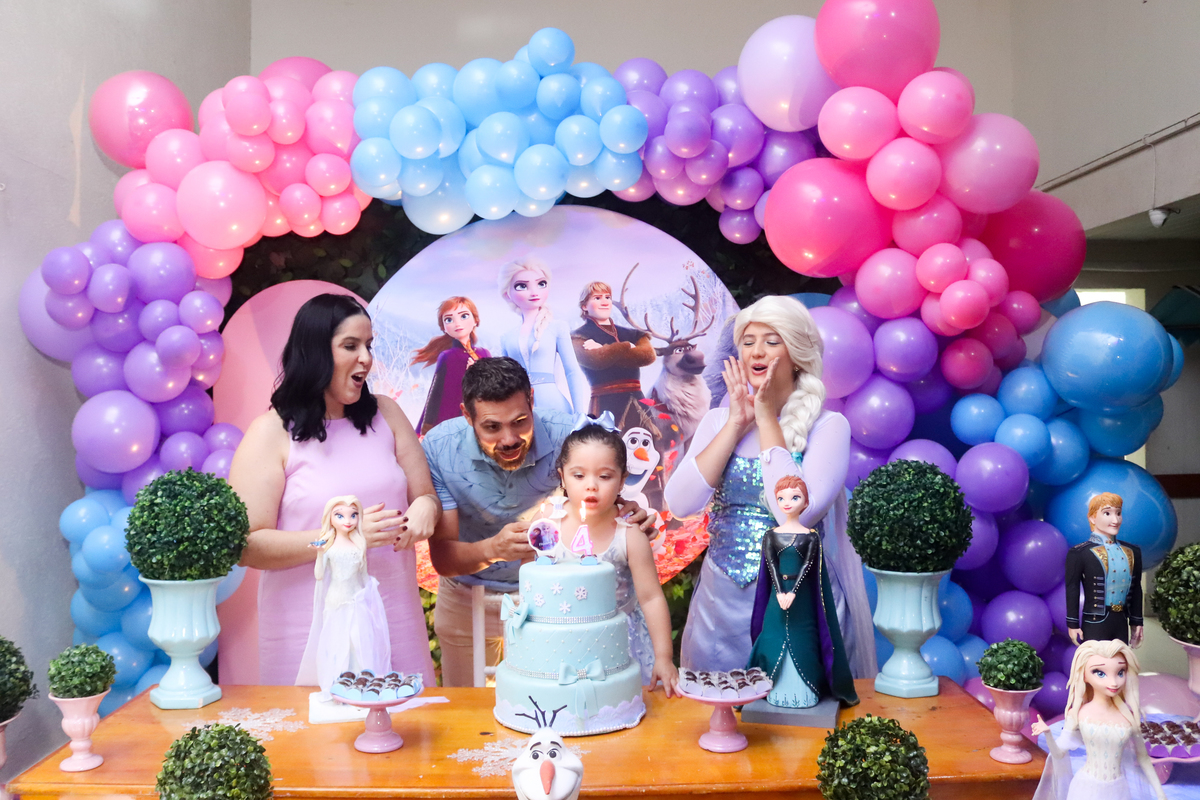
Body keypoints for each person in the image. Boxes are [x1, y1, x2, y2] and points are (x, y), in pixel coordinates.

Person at [229, 293, 437, 686]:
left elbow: (424, 496)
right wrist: (341, 539)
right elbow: (246, 545)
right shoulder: (270, 432)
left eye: (369, 345)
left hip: (393, 618)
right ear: (315, 352)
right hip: (308, 629)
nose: (366, 358)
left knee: (405, 720)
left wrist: (426, 507)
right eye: (350, 346)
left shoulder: (387, 414)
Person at [663, 295, 875, 677]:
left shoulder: (828, 427)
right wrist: (734, 425)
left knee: (793, 705)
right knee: (719, 708)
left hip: (796, 603)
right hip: (718, 606)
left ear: (796, 354)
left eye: (771, 341)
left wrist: (766, 421)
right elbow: (680, 503)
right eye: (748, 341)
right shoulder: (717, 422)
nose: (756, 351)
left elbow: (794, 516)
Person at [421, 356, 651, 686]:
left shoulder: (570, 435)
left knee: (553, 702)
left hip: (555, 599)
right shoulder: (439, 449)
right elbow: (443, 558)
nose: (509, 438)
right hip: (466, 598)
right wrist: (493, 549)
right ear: (466, 415)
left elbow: (603, 484)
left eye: (520, 421)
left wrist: (623, 508)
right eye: (492, 427)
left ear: (531, 400)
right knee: (467, 704)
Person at [552, 421, 679, 694]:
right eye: (578, 475)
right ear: (562, 477)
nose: (591, 486)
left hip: (621, 644)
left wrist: (664, 657)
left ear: (622, 480)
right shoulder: (548, 526)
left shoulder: (629, 533)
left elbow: (651, 597)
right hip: (562, 644)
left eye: (605, 476)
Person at [747, 476, 857, 709]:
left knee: (803, 637)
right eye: (781, 498)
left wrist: (793, 592)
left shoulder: (810, 536)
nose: (787, 503)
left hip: (802, 598)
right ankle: (774, 688)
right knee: (773, 636)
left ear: (805, 502)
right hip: (777, 598)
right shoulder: (771, 535)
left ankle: (806, 689)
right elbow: (771, 566)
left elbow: (808, 565)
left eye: (794, 497)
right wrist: (780, 592)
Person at [1030, 639, 1166, 800]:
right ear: (1085, 676)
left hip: (1118, 791)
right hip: (1086, 789)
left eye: (1120, 672)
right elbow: (1059, 754)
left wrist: (1160, 794)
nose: (1113, 682)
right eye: (1100, 673)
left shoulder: (1128, 717)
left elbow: (1143, 757)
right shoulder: (1078, 714)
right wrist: (1048, 734)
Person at [296, 496, 391, 699]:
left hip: (357, 599)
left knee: (358, 642)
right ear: (330, 518)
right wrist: (320, 554)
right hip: (337, 599)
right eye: (340, 516)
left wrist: (369, 595)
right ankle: (338, 684)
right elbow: (319, 575)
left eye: (353, 515)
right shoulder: (329, 547)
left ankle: (360, 683)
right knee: (337, 640)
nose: (348, 521)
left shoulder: (359, 545)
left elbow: (363, 574)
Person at [497, 259, 590, 415]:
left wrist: (579, 413)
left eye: (541, 284)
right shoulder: (507, 337)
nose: (534, 292)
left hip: (554, 406)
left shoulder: (557, 327)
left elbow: (572, 371)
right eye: (522, 286)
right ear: (508, 294)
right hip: (519, 410)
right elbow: (505, 381)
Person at [1066, 493, 1144, 647]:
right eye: (1107, 513)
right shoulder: (1080, 552)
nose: (1115, 520)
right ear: (1092, 518)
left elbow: (1136, 589)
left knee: (1120, 658)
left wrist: (1136, 621)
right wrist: (1072, 624)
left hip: (1121, 620)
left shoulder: (1132, 551)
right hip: (1095, 622)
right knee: (1096, 660)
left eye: (1118, 513)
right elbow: (1072, 588)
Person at [570, 281, 655, 418]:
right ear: (584, 306)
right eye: (597, 298)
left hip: (638, 404)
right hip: (604, 407)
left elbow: (647, 356)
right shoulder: (577, 337)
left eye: (607, 297)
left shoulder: (633, 333)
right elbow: (596, 360)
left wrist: (604, 349)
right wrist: (628, 346)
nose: (604, 302)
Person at [411, 296, 490, 436]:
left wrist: (478, 372)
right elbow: (436, 393)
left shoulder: (484, 353)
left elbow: (494, 387)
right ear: (443, 327)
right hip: (451, 421)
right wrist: (426, 427)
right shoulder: (448, 356)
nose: (457, 323)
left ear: (475, 320)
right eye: (449, 319)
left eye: (464, 316)